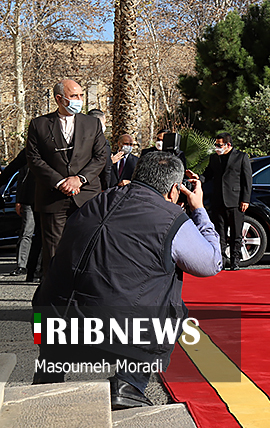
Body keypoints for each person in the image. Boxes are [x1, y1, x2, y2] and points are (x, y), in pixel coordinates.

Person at [32, 151, 222, 409]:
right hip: (114, 331)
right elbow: (210, 264)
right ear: (175, 189)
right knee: (170, 306)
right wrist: (198, 209)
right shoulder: (171, 219)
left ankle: (48, 376)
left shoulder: (96, 201)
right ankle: (129, 382)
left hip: (49, 319)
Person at [25, 79, 108, 270]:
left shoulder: (92, 124)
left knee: (89, 247)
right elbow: (34, 159)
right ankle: (53, 287)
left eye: (81, 95)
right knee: (54, 252)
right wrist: (60, 182)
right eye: (74, 96)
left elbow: (100, 157)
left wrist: (79, 179)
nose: (79, 100)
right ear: (59, 99)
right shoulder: (39, 125)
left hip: (86, 196)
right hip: (53, 197)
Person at [202, 133, 253, 270]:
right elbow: (207, 175)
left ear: (228, 145)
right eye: (216, 145)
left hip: (235, 201)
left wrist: (245, 199)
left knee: (236, 233)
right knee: (220, 233)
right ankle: (222, 260)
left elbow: (247, 180)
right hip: (218, 200)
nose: (217, 148)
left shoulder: (241, 157)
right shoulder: (214, 158)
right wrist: (197, 178)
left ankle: (235, 260)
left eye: (219, 145)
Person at [0, 150, 40, 279]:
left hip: (45, 198)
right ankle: (22, 265)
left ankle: (38, 267)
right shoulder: (27, 153)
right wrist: (19, 200)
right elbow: (20, 178)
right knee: (27, 231)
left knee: (43, 234)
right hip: (28, 199)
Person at [87, 109, 113, 190]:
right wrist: (105, 187)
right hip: (94, 187)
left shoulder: (78, 139)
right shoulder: (103, 143)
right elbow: (106, 169)